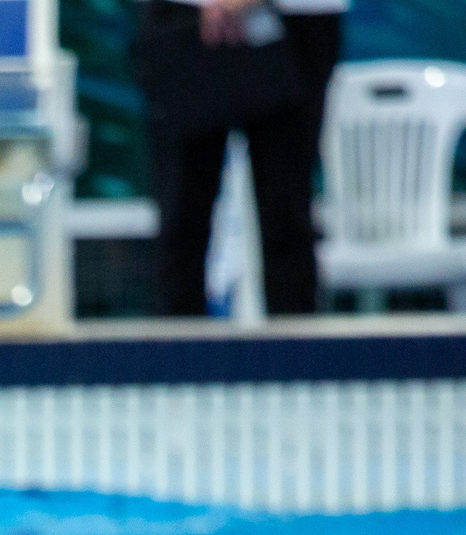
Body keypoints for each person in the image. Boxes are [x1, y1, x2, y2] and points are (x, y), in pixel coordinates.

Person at [135, 0, 348, 317]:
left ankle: (297, 360)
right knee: (181, 221)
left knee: (287, 216)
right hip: (184, 17)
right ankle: (177, 361)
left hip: (299, 16)